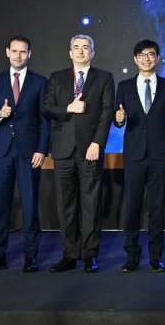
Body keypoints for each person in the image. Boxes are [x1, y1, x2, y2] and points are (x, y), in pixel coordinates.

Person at [0, 36, 51, 273]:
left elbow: (45, 121)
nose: (18, 55)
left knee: (30, 205)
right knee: (1, 204)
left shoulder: (40, 82)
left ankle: (30, 256)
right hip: (1, 151)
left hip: (29, 152)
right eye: (15, 51)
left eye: (23, 52)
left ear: (30, 54)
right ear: (7, 52)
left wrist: (41, 149)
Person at [43, 34, 114, 273]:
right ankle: (70, 254)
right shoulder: (57, 77)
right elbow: (46, 108)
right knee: (66, 205)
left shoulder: (104, 77)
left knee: (91, 204)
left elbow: (106, 113)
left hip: (90, 149)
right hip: (63, 150)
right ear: (70, 52)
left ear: (92, 52)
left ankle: (90, 255)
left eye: (86, 47)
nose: (81, 51)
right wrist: (68, 108)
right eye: (76, 47)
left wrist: (97, 143)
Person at [115, 39, 165, 272]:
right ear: (135, 59)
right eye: (141, 55)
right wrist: (118, 120)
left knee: (156, 206)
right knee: (132, 205)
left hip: (159, 154)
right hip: (134, 154)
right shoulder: (124, 86)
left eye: (151, 54)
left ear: (158, 58)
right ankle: (131, 255)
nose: (146, 58)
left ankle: (155, 256)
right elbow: (118, 118)